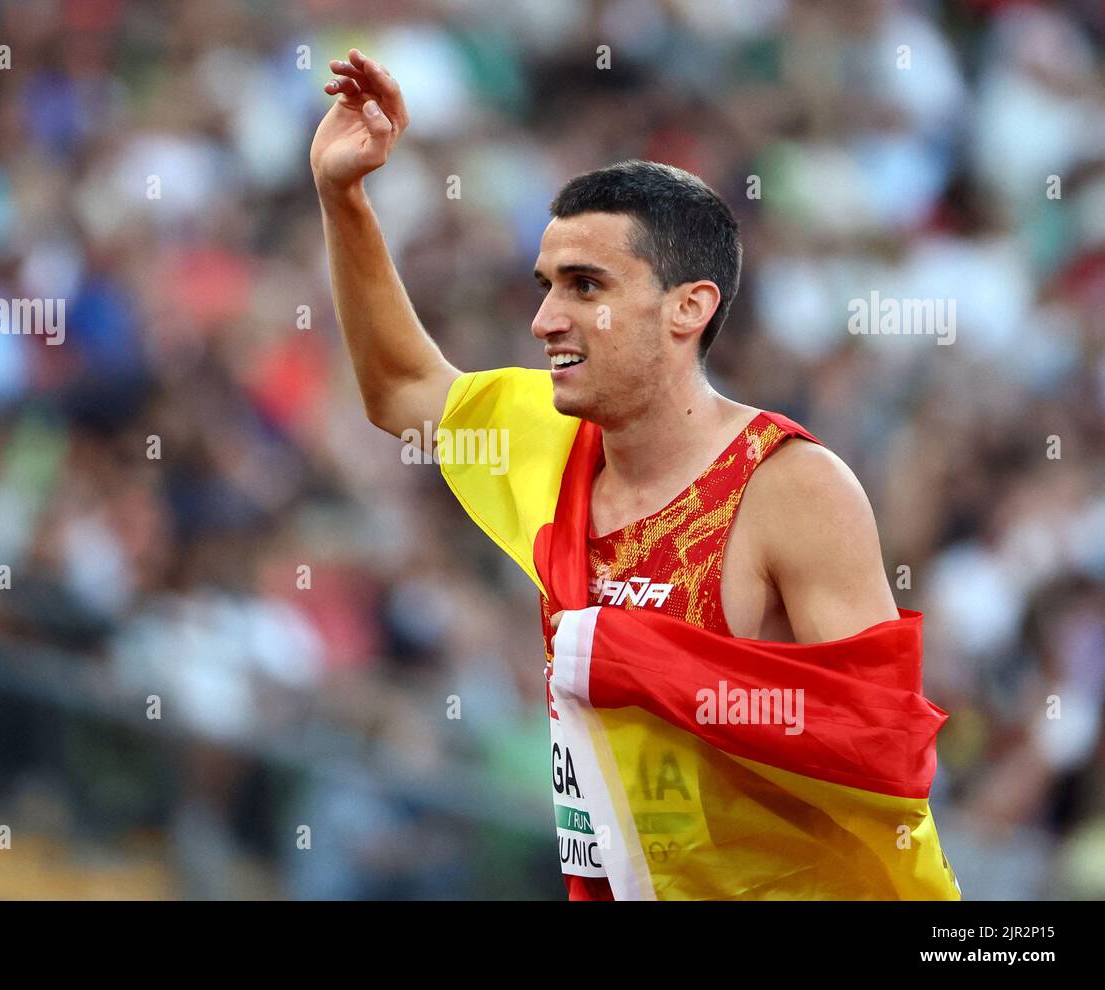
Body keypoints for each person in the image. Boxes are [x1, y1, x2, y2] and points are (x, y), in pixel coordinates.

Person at [310, 49, 946, 901]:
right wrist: (343, 198)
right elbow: (400, 388)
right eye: (545, 286)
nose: (543, 320)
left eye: (584, 286)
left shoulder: (791, 488)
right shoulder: (546, 435)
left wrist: (627, 658)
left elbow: (880, 751)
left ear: (689, 306)